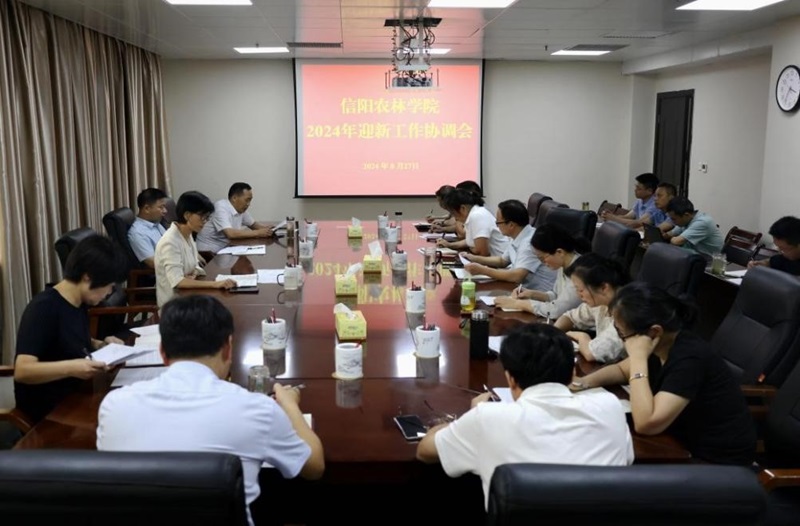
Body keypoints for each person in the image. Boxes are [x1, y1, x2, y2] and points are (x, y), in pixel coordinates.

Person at [96, 295, 324, 526]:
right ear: (228, 349)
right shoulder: (257, 410)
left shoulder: (114, 406)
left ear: (162, 352)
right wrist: (290, 406)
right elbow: (314, 467)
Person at [416, 323, 633, 509]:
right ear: (572, 373)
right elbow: (627, 460)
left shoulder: (487, 418)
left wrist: (469, 417)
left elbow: (425, 451)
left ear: (510, 379)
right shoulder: (610, 408)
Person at [572, 283, 756, 465]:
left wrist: (638, 358)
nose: (623, 340)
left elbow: (646, 424)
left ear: (654, 332)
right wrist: (582, 383)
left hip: (715, 462)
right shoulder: (662, 344)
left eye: (622, 334)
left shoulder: (690, 359)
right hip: (676, 442)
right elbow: (620, 370)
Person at [14, 235, 128, 424]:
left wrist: (100, 344)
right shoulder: (44, 308)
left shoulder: (78, 302)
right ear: (87, 277)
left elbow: (68, 339)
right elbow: (23, 370)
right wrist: (72, 368)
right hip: (49, 412)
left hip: (77, 395)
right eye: (109, 286)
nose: (109, 293)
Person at [155, 191, 236, 307]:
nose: (205, 222)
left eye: (207, 218)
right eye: (202, 217)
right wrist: (215, 284)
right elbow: (178, 282)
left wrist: (193, 274)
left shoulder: (187, 235)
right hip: (174, 307)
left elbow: (193, 267)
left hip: (189, 297)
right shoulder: (170, 242)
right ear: (187, 215)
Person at [461, 199, 556, 291]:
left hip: (538, 295)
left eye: (498, 223)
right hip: (521, 290)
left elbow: (516, 276)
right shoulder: (518, 235)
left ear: (511, 225)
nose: (497, 226)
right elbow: (502, 261)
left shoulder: (529, 242)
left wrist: (483, 270)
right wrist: (473, 258)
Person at [494, 224, 585, 319]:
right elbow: (556, 295)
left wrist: (518, 304)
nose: (543, 263)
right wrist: (531, 294)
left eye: (542, 258)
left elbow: (556, 311)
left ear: (559, 252)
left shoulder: (580, 272)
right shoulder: (563, 265)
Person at [554, 253, 629, 363]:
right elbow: (570, 317)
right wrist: (553, 332)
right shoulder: (601, 302)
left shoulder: (627, 311)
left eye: (580, 290)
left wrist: (581, 336)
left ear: (604, 287)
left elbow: (592, 353)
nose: (578, 295)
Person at [196, 182, 275, 254]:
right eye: (247, 200)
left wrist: (271, 229)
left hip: (227, 248)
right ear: (234, 198)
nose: (248, 204)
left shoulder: (240, 209)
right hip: (209, 252)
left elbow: (254, 225)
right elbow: (231, 234)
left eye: (250, 200)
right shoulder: (221, 207)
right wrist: (258, 233)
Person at [436, 188, 509, 257]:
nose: (455, 218)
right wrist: (450, 245)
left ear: (463, 208)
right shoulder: (473, 214)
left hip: (500, 262)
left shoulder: (477, 216)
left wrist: (472, 248)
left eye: (453, 213)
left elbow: (482, 253)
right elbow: (471, 241)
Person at [128, 188, 168, 268]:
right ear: (147, 209)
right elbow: (153, 262)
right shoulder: (138, 233)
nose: (165, 211)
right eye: (161, 207)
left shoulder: (155, 223)